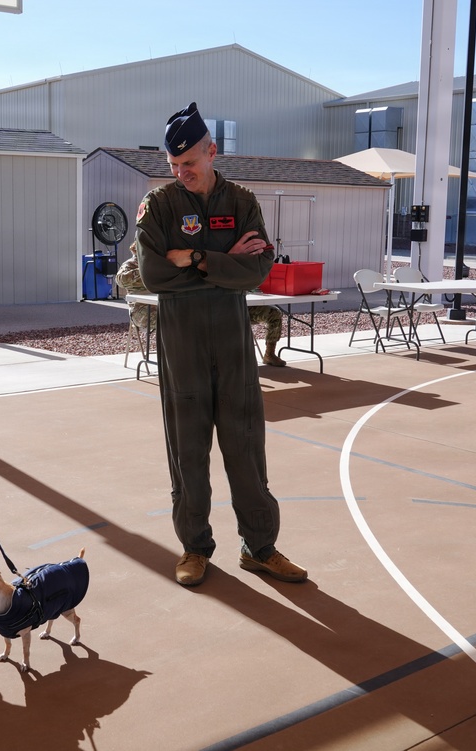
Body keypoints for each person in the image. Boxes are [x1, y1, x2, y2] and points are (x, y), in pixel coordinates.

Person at [134, 102, 306, 586]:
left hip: (232, 344)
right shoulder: (161, 206)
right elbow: (154, 275)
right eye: (173, 166)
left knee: (246, 445)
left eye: (189, 163)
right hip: (181, 344)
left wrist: (191, 258)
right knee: (188, 452)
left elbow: (256, 270)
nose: (181, 173)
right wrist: (220, 262)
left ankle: (260, 547)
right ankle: (194, 548)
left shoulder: (242, 202)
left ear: (212, 151)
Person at [118, 242, 287, 367]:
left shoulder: (167, 263)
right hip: (144, 310)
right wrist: (154, 271)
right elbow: (121, 280)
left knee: (272, 313)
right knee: (184, 321)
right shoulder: (131, 265)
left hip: (219, 303)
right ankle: (183, 363)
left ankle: (265, 354)